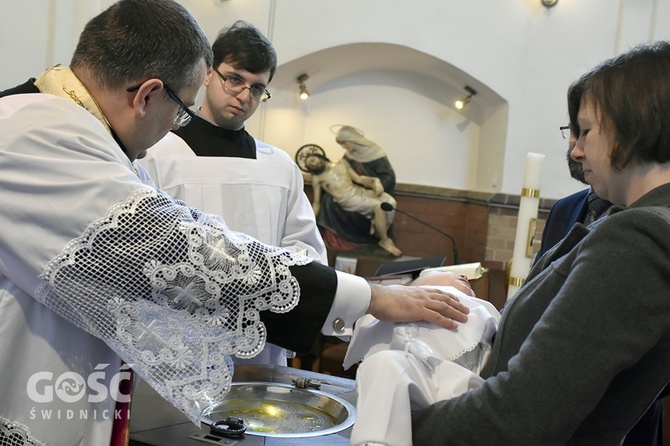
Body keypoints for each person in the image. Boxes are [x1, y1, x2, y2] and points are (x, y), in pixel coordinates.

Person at [0, 2, 469, 445]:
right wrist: (373, 297)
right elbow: (179, 249)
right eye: (180, 110)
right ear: (147, 96)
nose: (173, 128)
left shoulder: (61, 123)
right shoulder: (41, 135)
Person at [411, 41, 670, 445]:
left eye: (585, 130)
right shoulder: (643, 223)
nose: (577, 149)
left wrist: (391, 430)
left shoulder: (638, 238)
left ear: (631, 127)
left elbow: (521, 414)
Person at [140, 20, 327, 366]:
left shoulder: (280, 166)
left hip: (259, 339)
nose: (245, 95)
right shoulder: (157, 153)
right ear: (208, 73)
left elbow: (305, 253)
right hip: (179, 339)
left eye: (257, 88)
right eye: (235, 79)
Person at [345, 271, 500, 446]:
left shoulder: (478, 307)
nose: (464, 276)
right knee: (383, 365)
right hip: (407, 371)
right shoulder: (390, 301)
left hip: (458, 380)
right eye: (443, 272)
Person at [305, 153, 402, 257]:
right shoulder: (317, 178)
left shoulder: (341, 163)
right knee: (379, 207)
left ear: (319, 156)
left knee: (390, 201)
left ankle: (380, 228)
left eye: (312, 160)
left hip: (357, 191)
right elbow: (316, 202)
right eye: (310, 165)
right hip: (347, 199)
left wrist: (376, 181)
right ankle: (384, 240)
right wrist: (311, 221)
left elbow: (359, 179)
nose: (313, 164)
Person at [317, 126, 397, 248]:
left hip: (372, 190)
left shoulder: (376, 153)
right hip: (353, 192)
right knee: (328, 199)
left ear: (353, 139)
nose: (343, 147)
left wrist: (376, 185)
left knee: (390, 202)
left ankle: (378, 233)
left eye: (344, 143)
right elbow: (346, 175)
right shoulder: (348, 156)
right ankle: (336, 240)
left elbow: (389, 177)